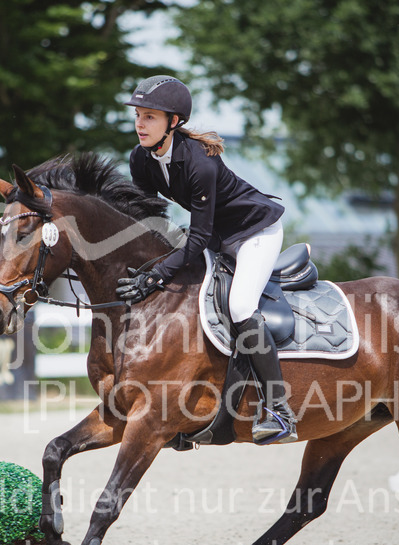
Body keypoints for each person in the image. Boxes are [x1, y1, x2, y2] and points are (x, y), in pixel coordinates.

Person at [114, 75, 296, 445]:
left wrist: (160, 272)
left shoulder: (200, 163)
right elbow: (152, 220)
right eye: (138, 115)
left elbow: (196, 238)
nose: (140, 123)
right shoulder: (140, 159)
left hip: (253, 234)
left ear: (173, 122)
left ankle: (279, 410)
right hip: (214, 235)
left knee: (241, 306)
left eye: (150, 116)